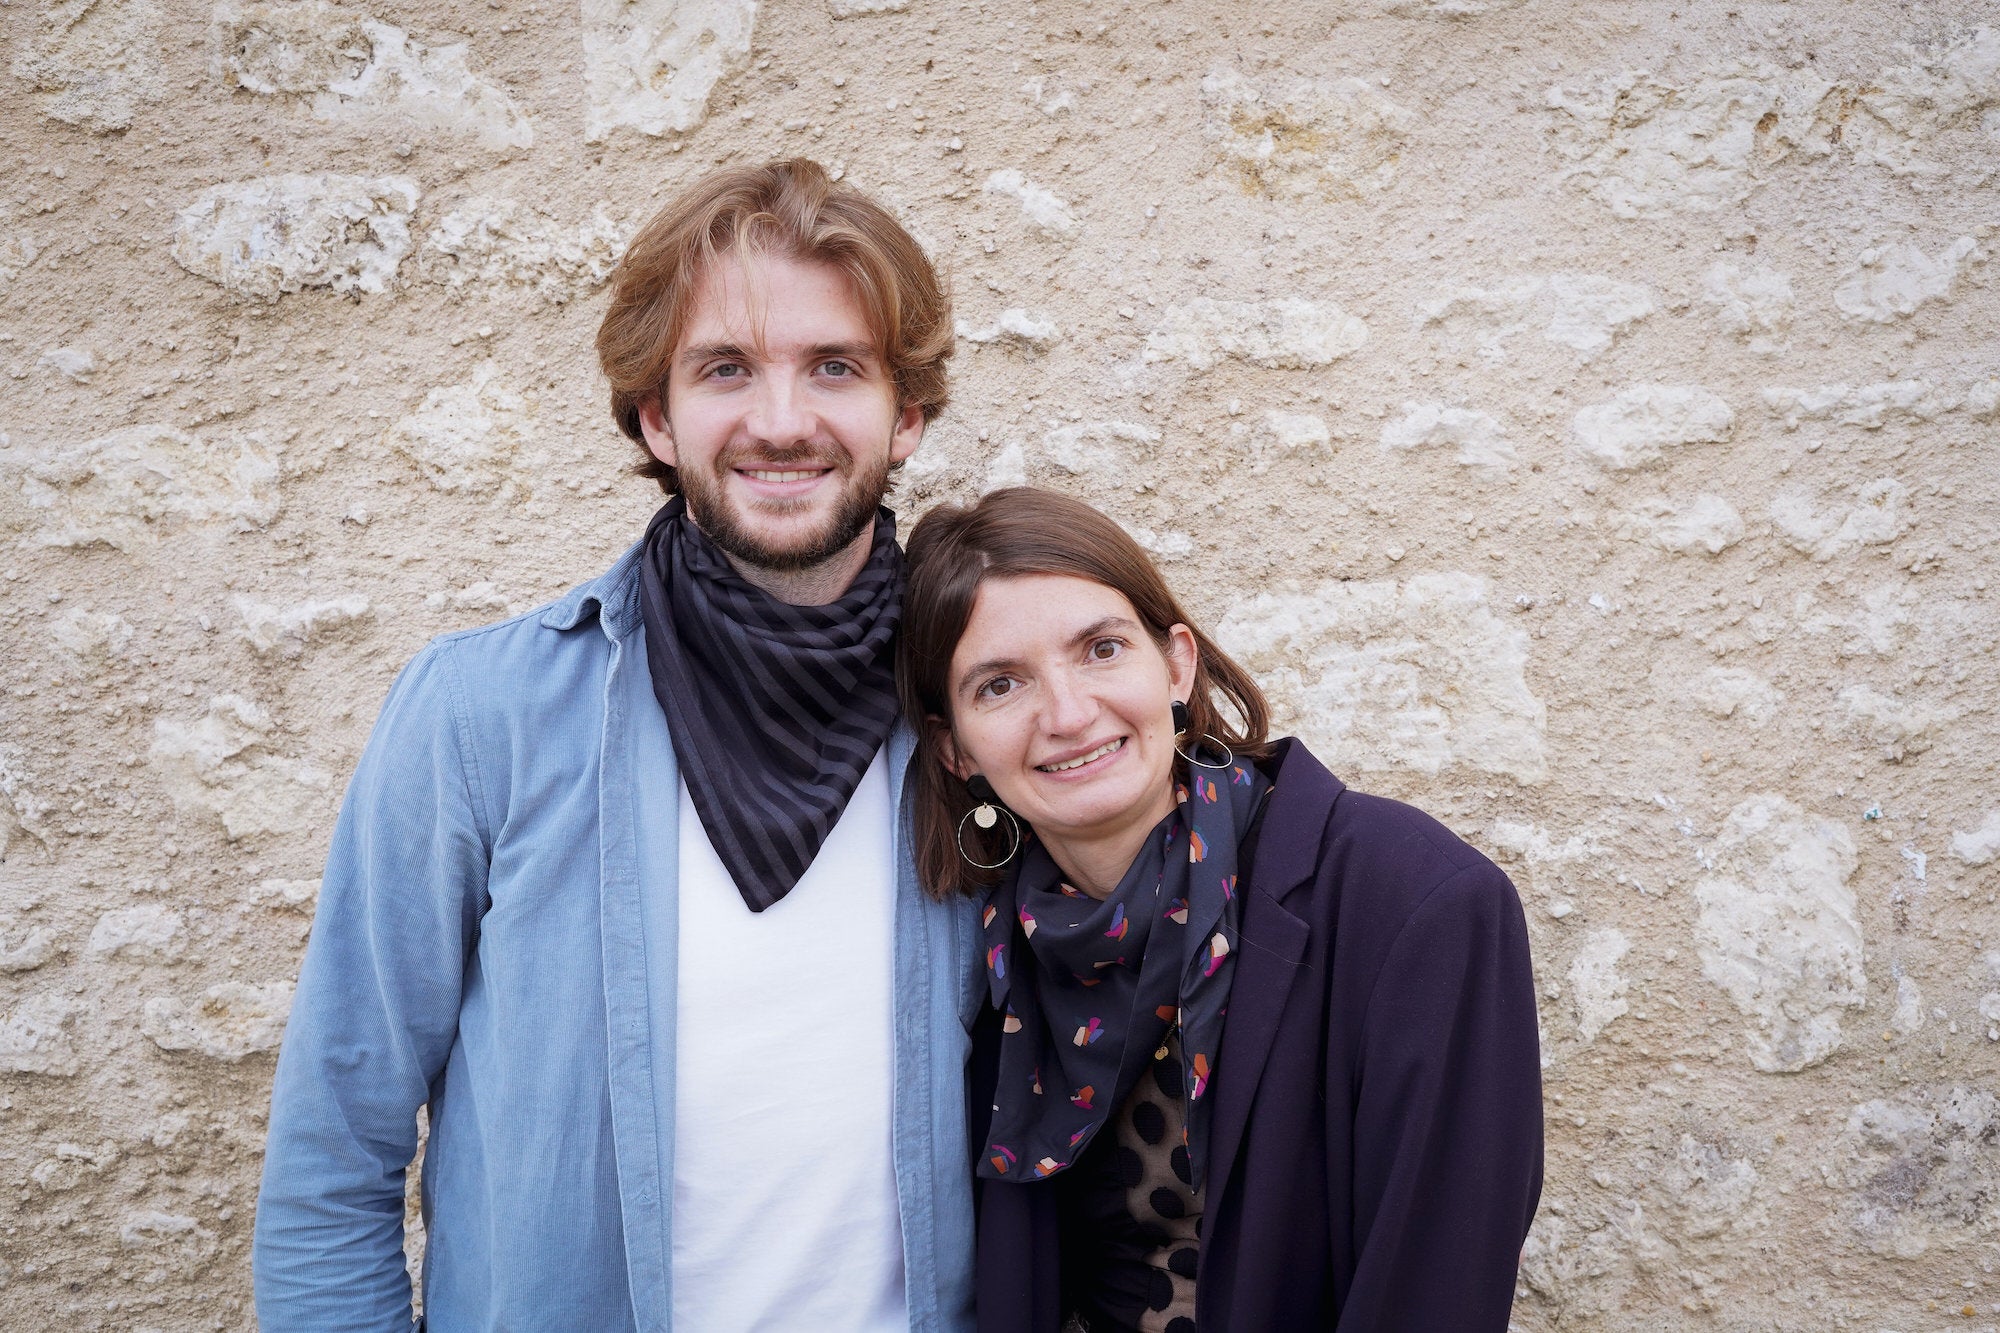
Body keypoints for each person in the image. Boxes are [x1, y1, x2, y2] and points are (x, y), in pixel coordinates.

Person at [253, 159, 981, 1331]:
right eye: (725, 369)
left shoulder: (978, 715)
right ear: (656, 414)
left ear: (905, 417)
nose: (781, 421)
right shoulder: (478, 715)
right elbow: (335, 1156)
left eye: (834, 367)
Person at [896, 487, 1544, 1332]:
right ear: (956, 750)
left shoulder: (1415, 903)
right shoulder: (984, 955)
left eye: (1100, 648)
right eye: (1000, 683)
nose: (1066, 712)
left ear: (1175, 665)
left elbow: (1436, 1291)